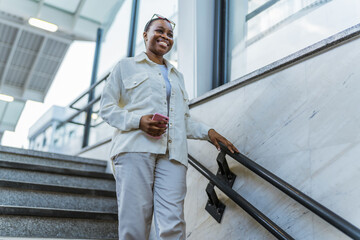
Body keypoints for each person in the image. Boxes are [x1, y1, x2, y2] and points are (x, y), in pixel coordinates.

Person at [99, 14, 239, 240]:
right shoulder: (126, 67)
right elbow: (106, 109)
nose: (165, 36)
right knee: (134, 223)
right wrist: (139, 121)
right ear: (145, 35)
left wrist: (209, 133)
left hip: (173, 155)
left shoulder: (177, 77)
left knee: (173, 224)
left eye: (170, 34)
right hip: (135, 150)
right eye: (159, 31)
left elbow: (181, 121)